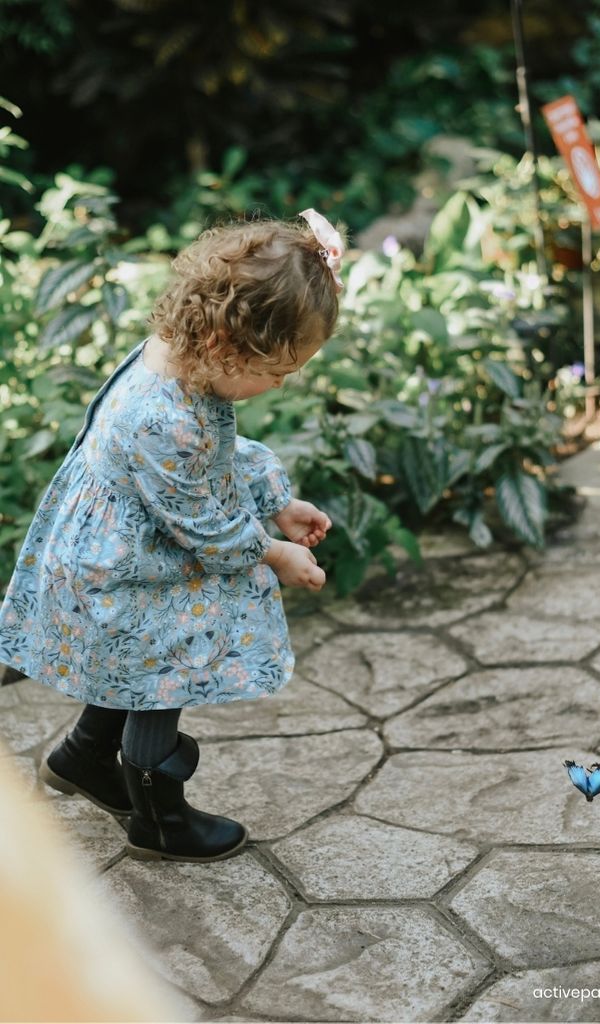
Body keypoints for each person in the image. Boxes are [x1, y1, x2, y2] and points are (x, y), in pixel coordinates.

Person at [0, 209, 345, 863]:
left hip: (126, 542)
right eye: (278, 371)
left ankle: (83, 757)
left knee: (138, 662)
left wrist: (278, 500)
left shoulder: (177, 360)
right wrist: (275, 554)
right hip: (122, 567)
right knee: (167, 658)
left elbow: (212, 456)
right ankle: (159, 822)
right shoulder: (164, 417)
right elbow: (208, 529)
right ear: (224, 347)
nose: (278, 385)